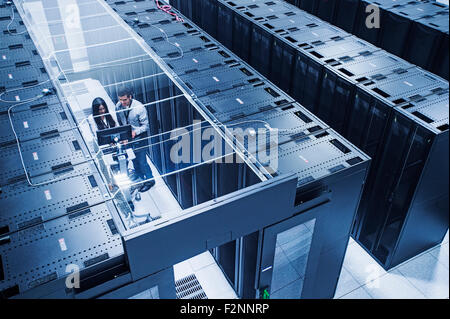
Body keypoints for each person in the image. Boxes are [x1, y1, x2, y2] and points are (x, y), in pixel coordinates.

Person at [115, 86, 155, 192]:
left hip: (139, 138)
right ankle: (140, 177)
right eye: (120, 99)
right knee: (133, 160)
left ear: (130, 97)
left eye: (124, 99)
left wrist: (135, 132)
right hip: (127, 138)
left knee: (142, 162)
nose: (122, 102)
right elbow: (120, 122)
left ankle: (150, 181)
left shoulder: (139, 108)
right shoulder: (118, 106)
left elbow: (146, 126)